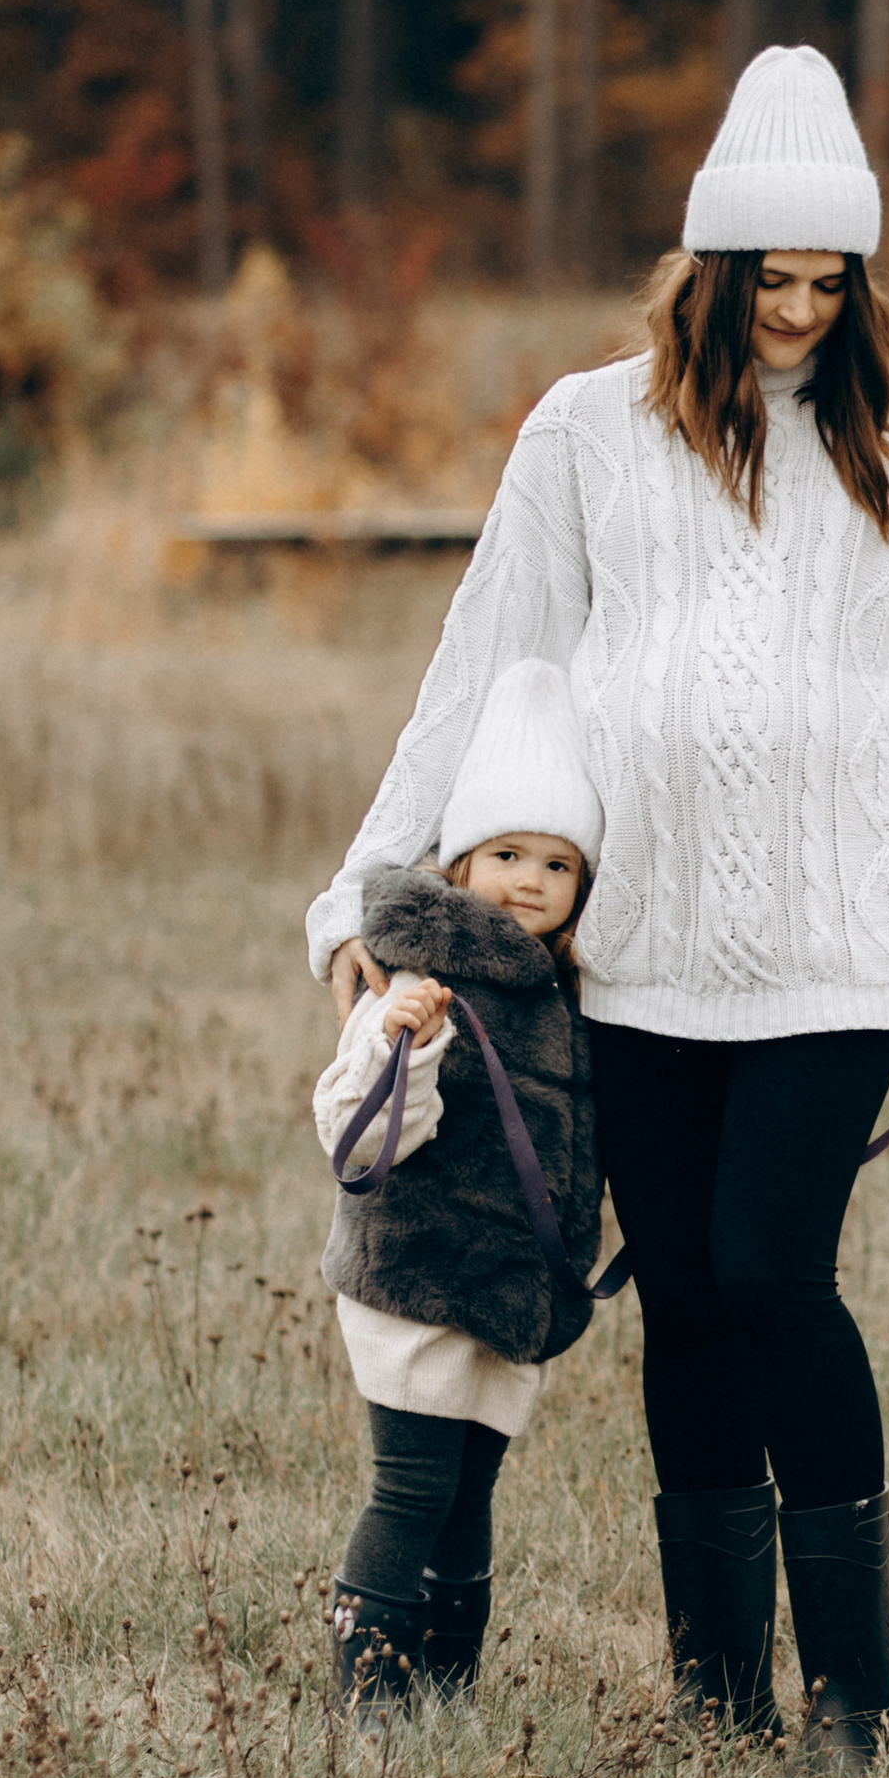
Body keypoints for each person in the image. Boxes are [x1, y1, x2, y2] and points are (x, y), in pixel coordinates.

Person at [307, 46, 889, 1778]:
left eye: (827, 281)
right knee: (685, 1298)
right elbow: (482, 659)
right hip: (631, 952)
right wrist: (372, 885)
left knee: (777, 1273)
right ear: (706, 275)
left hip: (841, 940)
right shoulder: (588, 431)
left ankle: (855, 1711)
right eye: (768, 281)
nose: (797, 313)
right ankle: (721, 1698)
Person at [312, 655, 604, 1718]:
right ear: (460, 858)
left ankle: (446, 1682)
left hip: (512, 1288)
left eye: (558, 864)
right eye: (507, 853)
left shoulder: (566, 992)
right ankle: (369, 1687)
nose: (528, 879)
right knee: (413, 1484)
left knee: (472, 1491)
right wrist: (406, 1048)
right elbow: (357, 1140)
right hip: (418, 1276)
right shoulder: (414, 977)